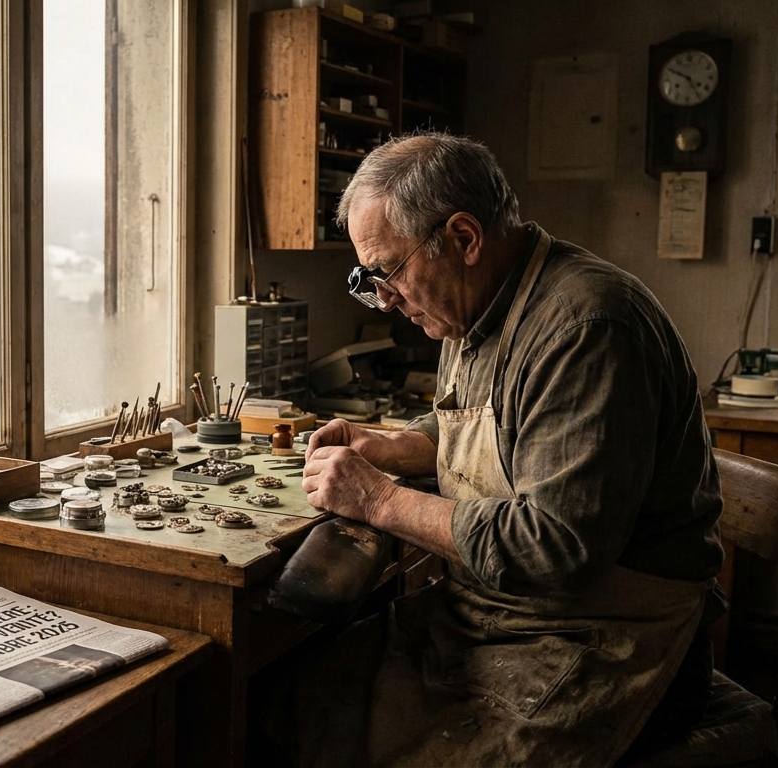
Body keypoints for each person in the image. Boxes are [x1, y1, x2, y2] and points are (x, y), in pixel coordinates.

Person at [297, 133, 726, 766]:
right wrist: (399, 444)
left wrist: (377, 500)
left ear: (464, 239)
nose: (383, 298)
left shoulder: (587, 327)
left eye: (387, 271)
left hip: (608, 636)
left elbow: (554, 547)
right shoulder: (473, 308)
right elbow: (496, 427)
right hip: (504, 614)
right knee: (295, 700)